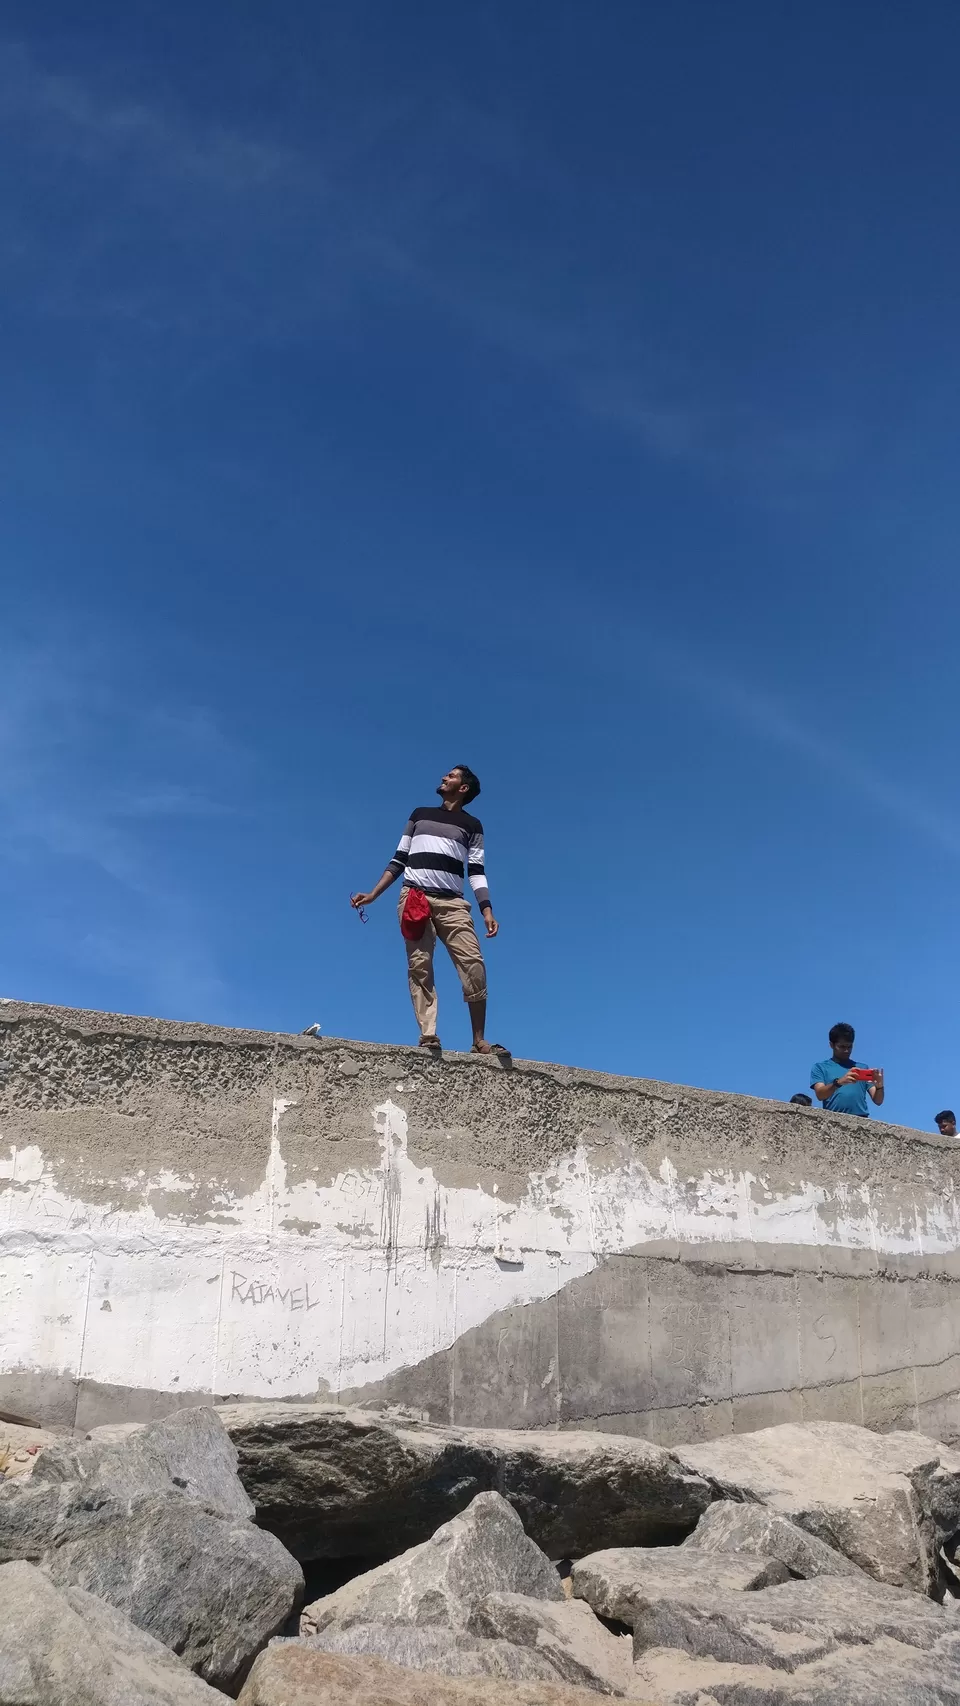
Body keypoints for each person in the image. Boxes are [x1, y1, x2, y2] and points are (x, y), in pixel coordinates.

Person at [351, 766, 507, 1056]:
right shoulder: (419, 814)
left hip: (453, 902)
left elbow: (476, 870)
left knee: (473, 964)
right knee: (419, 966)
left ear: (463, 788)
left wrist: (486, 910)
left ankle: (479, 1040)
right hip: (415, 897)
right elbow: (399, 859)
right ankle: (429, 1035)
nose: (444, 777)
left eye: (451, 775)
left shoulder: (472, 825)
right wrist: (373, 894)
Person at [810, 1022, 884, 1117]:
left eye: (849, 1046)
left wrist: (879, 1086)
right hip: (833, 1121)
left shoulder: (862, 1068)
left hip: (861, 1121)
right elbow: (820, 1094)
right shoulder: (820, 1067)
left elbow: (878, 1101)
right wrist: (839, 1082)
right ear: (831, 1045)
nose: (846, 1051)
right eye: (842, 1047)